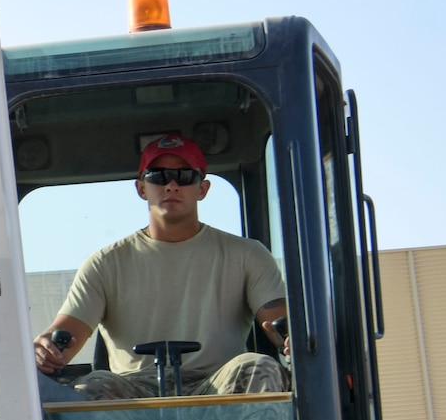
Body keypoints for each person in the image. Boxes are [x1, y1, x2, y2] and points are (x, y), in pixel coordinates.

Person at [34, 132, 288, 400]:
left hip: (217, 388)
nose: (171, 186)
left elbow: (278, 323)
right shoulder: (105, 263)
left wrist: (290, 338)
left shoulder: (247, 254)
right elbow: (67, 333)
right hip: (135, 392)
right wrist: (47, 348)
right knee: (93, 386)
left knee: (260, 369)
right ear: (141, 188)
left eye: (185, 176)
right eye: (159, 176)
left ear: (202, 189)